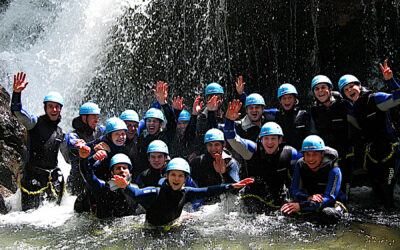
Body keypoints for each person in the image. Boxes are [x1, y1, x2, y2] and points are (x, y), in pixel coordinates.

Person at [338, 60, 400, 209]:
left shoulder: (376, 98)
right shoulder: (352, 109)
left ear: (359, 86)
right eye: (346, 90)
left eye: (351, 86)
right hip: (372, 153)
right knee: (376, 191)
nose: (349, 91)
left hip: (390, 151)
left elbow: (398, 98)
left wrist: (390, 80)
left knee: (387, 192)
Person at [224, 100, 302, 213]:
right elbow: (232, 138)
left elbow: (308, 163)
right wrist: (229, 121)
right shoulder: (251, 150)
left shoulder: (290, 153)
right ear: (261, 140)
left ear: (280, 140)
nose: (270, 142)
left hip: (278, 198)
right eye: (266, 138)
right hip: (254, 197)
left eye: (273, 138)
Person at [136, 157, 254, 226]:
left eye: (180, 176)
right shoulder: (156, 193)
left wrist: (231, 186)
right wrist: (125, 186)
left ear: (185, 179)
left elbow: (208, 191)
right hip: (151, 229)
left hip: (173, 225)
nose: (176, 179)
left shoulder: (187, 192)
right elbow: (135, 193)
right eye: (173, 175)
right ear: (167, 176)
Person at [10, 72, 65, 211]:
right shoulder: (34, 123)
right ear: (45, 108)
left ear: (60, 109)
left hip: (51, 180)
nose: (54, 109)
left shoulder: (60, 132)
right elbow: (17, 112)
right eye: (50, 106)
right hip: (32, 179)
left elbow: (69, 158)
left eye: (57, 107)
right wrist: (17, 93)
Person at [281, 135, 346, 224]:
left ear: (322, 154)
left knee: (328, 214)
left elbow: (330, 197)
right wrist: (307, 197)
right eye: (307, 154)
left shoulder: (333, 168)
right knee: (286, 210)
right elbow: (294, 190)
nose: (311, 159)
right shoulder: (300, 164)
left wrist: (301, 206)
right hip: (310, 199)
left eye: (315, 154)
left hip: (332, 202)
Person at [78, 147, 158, 218]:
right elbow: (89, 176)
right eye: (118, 168)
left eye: (124, 168)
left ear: (129, 172)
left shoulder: (135, 190)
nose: (121, 170)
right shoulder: (102, 188)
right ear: (112, 173)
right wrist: (83, 159)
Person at [309, 75, 355, 199]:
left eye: (323, 87)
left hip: (346, 155)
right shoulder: (314, 110)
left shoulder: (344, 105)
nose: (320, 91)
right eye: (317, 89)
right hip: (327, 157)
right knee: (329, 191)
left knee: (345, 193)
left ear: (330, 90)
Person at [64, 101, 104, 195]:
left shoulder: (100, 131)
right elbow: (75, 144)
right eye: (93, 117)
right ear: (84, 118)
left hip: (93, 178)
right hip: (77, 181)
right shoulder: (73, 135)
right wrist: (92, 146)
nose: (97, 120)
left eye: (97, 117)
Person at [136, 81, 177, 173]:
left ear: (160, 124)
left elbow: (172, 122)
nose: (151, 123)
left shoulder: (166, 135)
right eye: (149, 121)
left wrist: (163, 103)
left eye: (154, 121)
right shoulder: (143, 137)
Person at [264, 83, 310, 150]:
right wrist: (243, 95)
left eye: (290, 97)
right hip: (284, 153)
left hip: (301, 153)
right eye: (284, 98)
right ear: (280, 101)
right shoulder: (276, 114)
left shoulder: (304, 114)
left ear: (295, 99)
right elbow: (258, 109)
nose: (287, 100)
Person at [120, 109, 140, 178]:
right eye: (128, 125)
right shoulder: (113, 140)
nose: (132, 128)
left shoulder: (140, 141)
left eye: (135, 125)